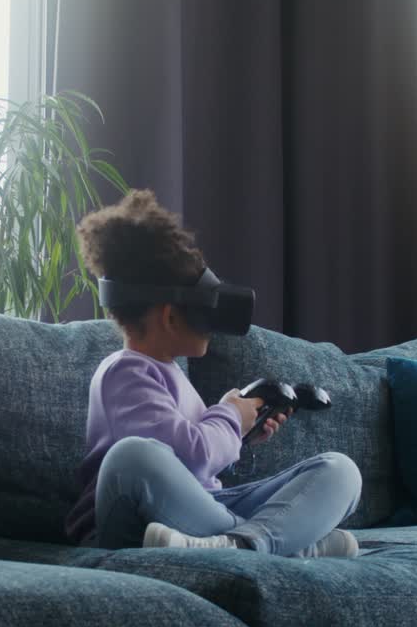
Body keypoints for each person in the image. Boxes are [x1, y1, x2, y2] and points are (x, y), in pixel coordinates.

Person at [64, 190, 362, 557]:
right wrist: (231, 416)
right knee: (132, 457)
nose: (212, 327)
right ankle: (284, 546)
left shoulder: (171, 372)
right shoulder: (123, 373)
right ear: (171, 317)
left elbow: (198, 462)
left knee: (340, 471)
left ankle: (241, 545)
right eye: (205, 313)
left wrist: (242, 433)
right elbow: (193, 456)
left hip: (200, 516)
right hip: (132, 521)